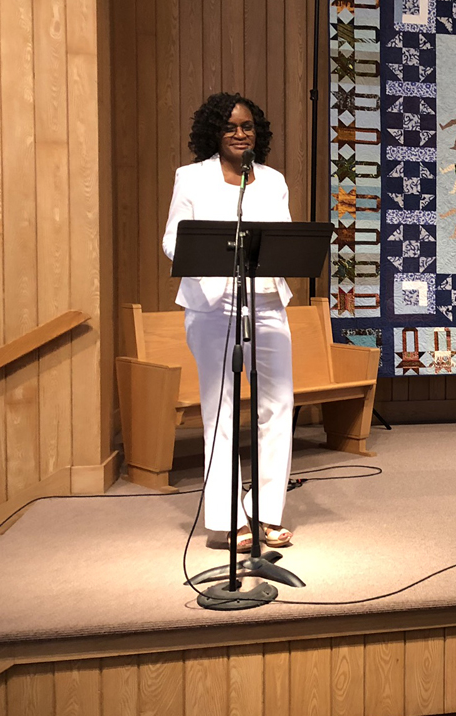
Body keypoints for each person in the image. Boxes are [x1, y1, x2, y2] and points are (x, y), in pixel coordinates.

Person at [161, 92, 295, 550]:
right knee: (219, 409)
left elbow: (284, 237)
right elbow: (171, 240)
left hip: (267, 300)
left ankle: (267, 513)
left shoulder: (273, 180)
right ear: (214, 134)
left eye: (248, 127)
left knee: (277, 405)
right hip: (213, 303)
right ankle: (227, 518)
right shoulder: (191, 177)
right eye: (231, 127)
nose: (240, 134)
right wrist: (207, 258)